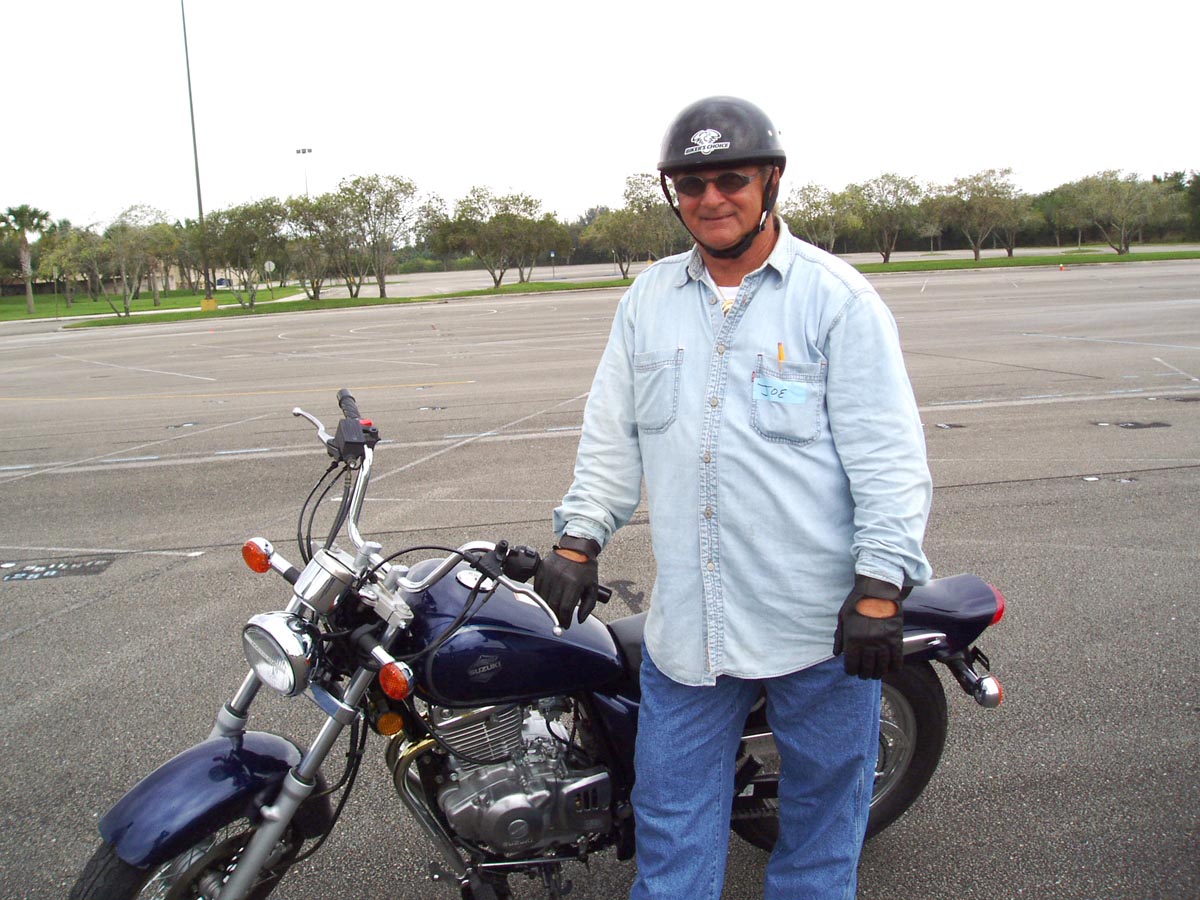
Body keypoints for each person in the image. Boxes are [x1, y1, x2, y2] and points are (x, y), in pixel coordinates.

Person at [535, 96, 933, 900]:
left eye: (731, 180)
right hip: (691, 634)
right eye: (691, 184)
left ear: (772, 180)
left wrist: (881, 587)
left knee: (820, 832)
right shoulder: (648, 301)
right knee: (671, 828)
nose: (710, 198)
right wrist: (579, 539)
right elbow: (612, 436)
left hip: (818, 628)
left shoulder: (836, 300)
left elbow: (888, 459)